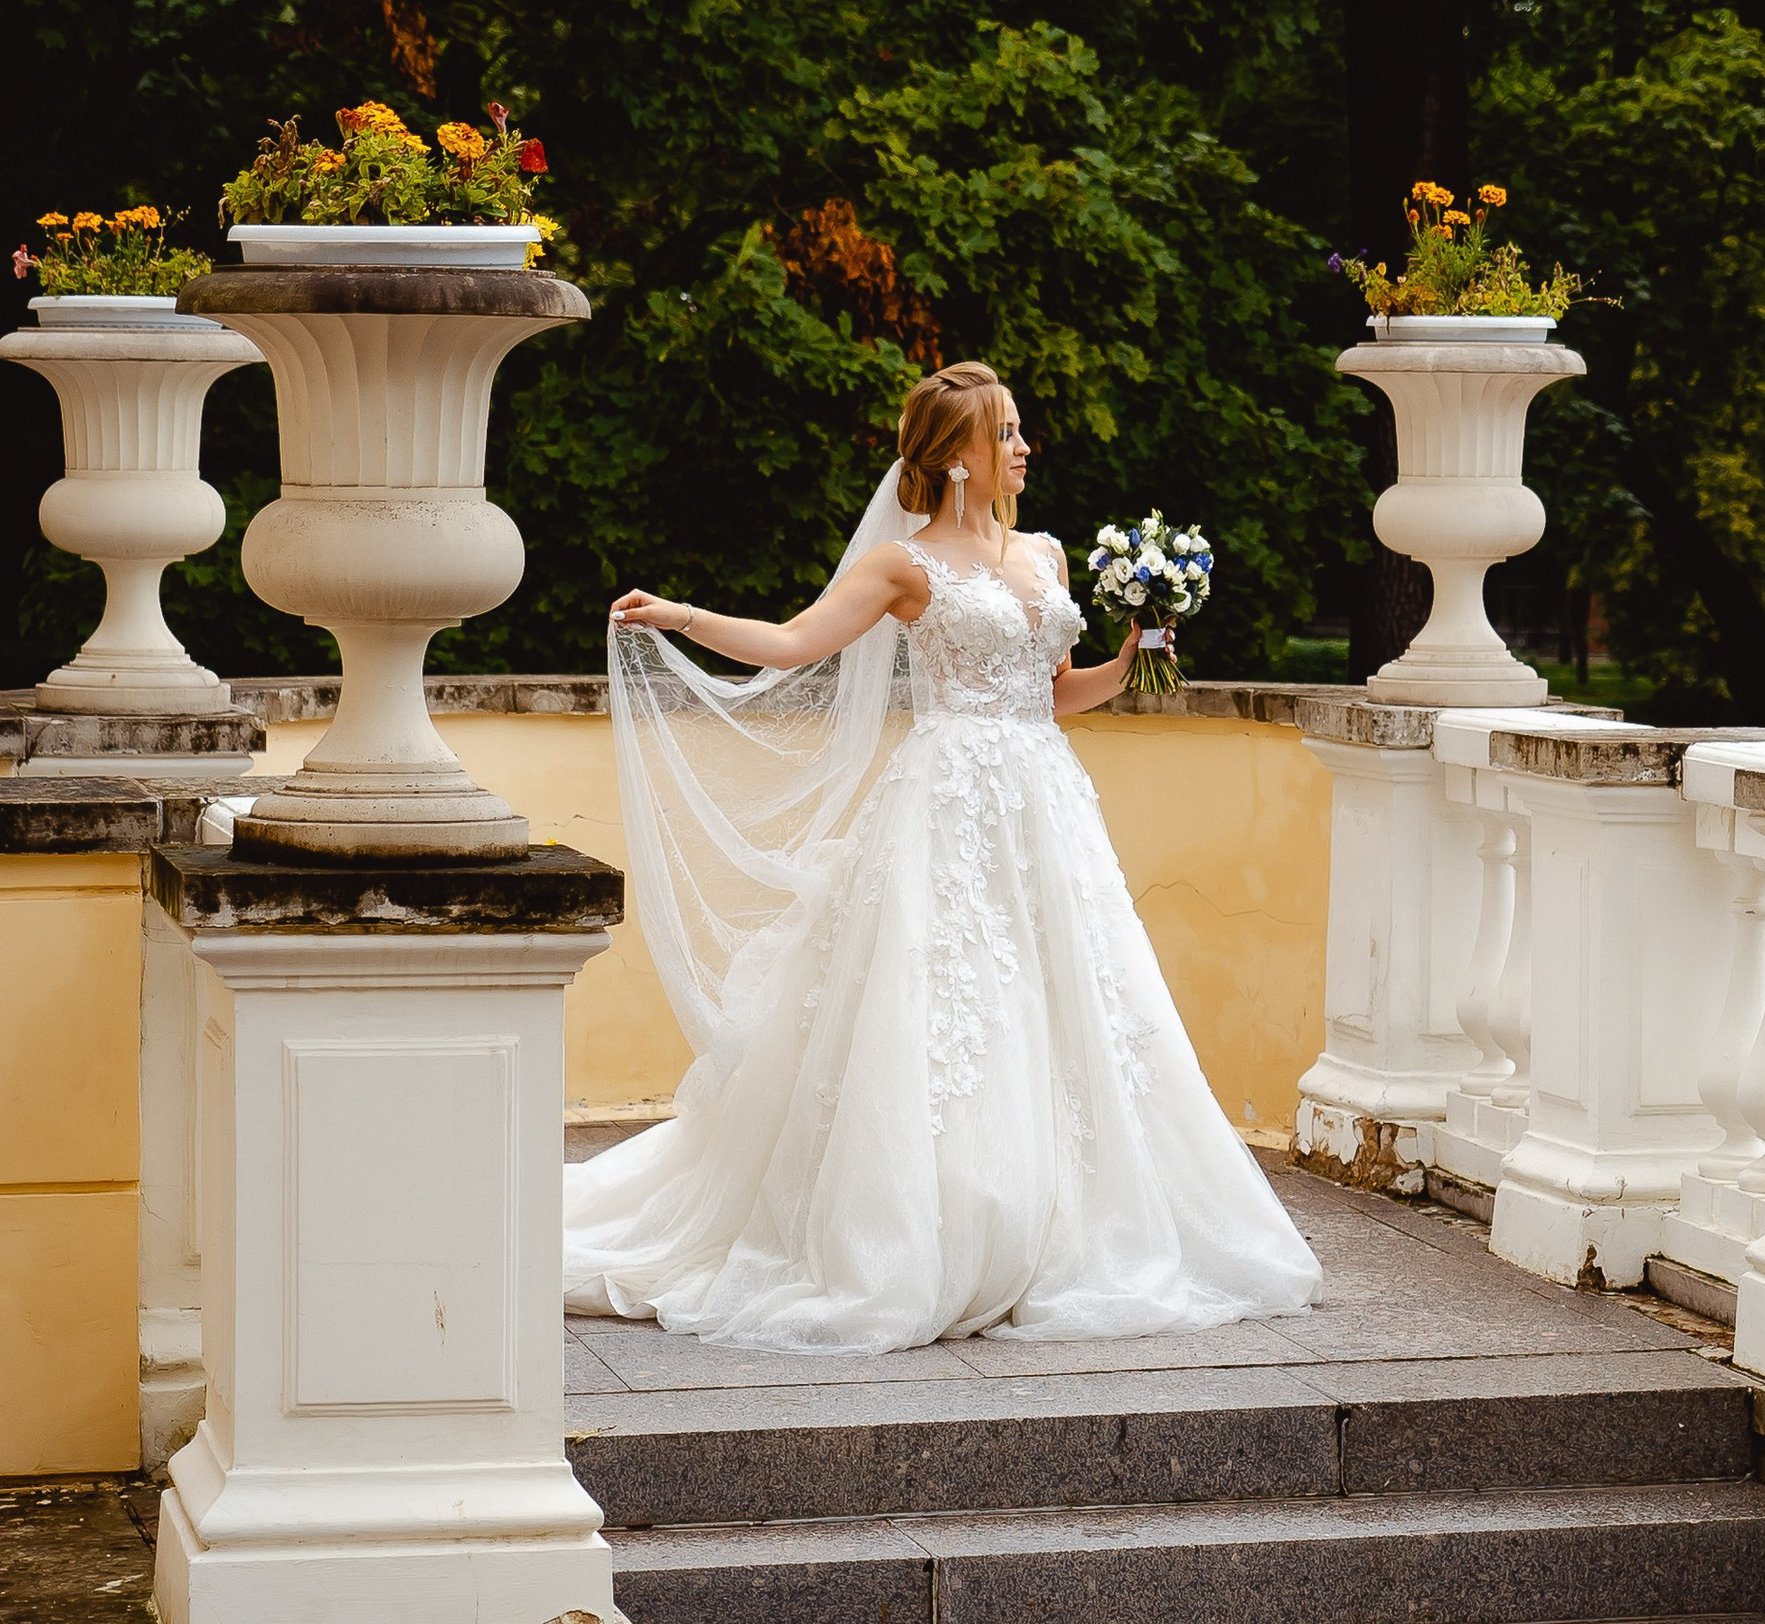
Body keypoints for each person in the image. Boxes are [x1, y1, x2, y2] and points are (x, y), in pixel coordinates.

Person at [564, 359, 1322, 1349]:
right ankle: (923, 1225)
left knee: (1070, 1000)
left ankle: (1059, 1218)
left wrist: (1136, 649)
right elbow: (795, 643)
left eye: (1017, 429)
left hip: (1044, 804)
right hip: (948, 801)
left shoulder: (1044, 553)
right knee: (941, 1002)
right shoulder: (902, 564)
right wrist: (682, 617)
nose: (1022, 445)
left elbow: (1056, 692)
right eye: (1004, 431)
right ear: (958, 455)